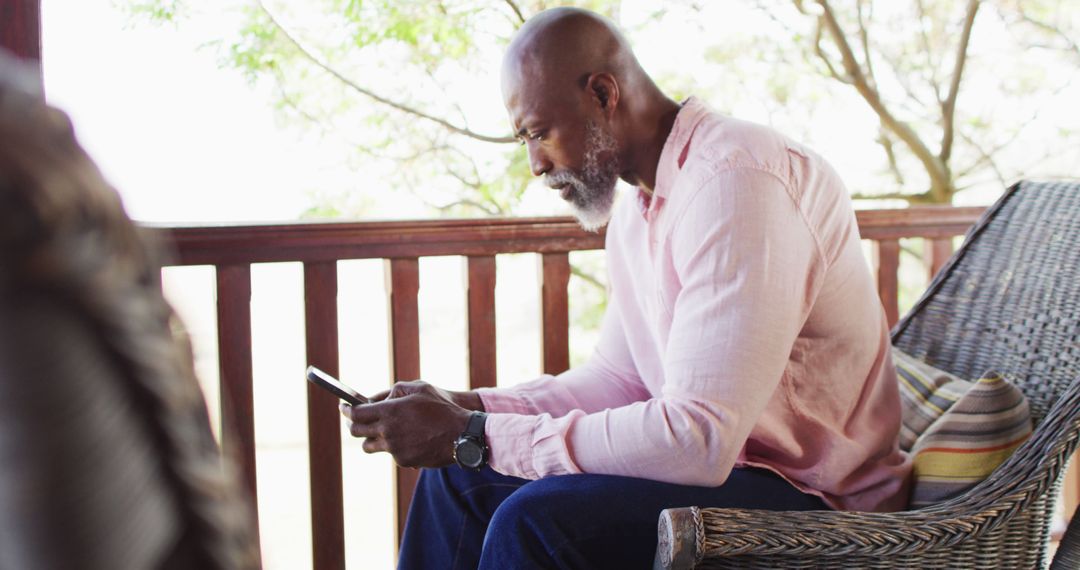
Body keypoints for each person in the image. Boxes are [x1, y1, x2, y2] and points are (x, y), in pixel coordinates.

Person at [340, 7, 912, 568]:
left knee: (539, 520)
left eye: (539, 132)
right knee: (456, 482)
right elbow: (618, 379)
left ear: (603, 95)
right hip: (736, 472)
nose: (535, 164)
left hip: (820, 500)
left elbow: (697, 438)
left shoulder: (738, 181)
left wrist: (476, 434)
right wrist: (463, 410)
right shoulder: (640, 210)